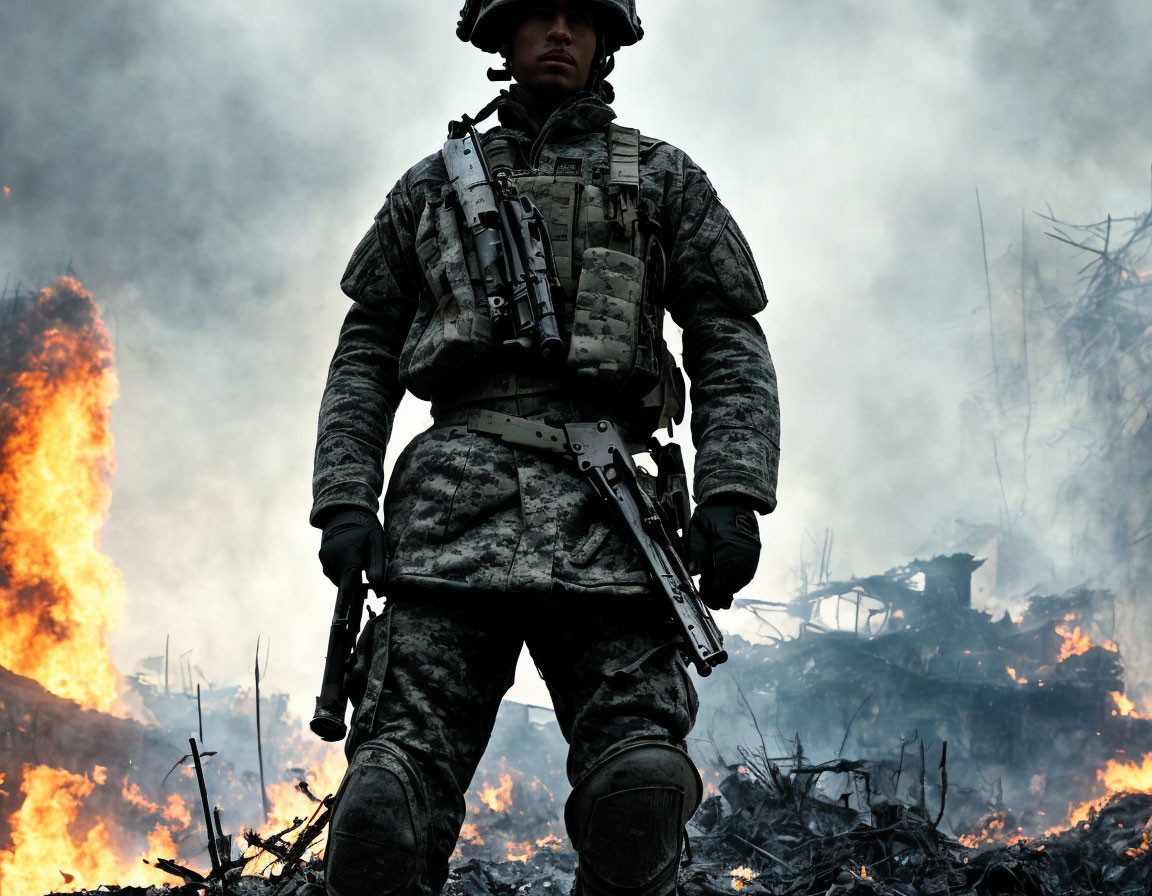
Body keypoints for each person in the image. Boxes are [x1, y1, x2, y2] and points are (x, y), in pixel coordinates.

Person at [310, 2, 780, 894]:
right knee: (383, 814)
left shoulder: (663, 180)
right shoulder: (431, 188)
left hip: (610, 526)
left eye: (577, 18)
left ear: (606, 41)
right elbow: (366, 346)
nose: (558, 34)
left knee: (638, 792)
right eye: (537, 16)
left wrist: (733, 492)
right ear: (503, 37)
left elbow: (728, 335)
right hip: (452, 520)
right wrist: (343, 499)